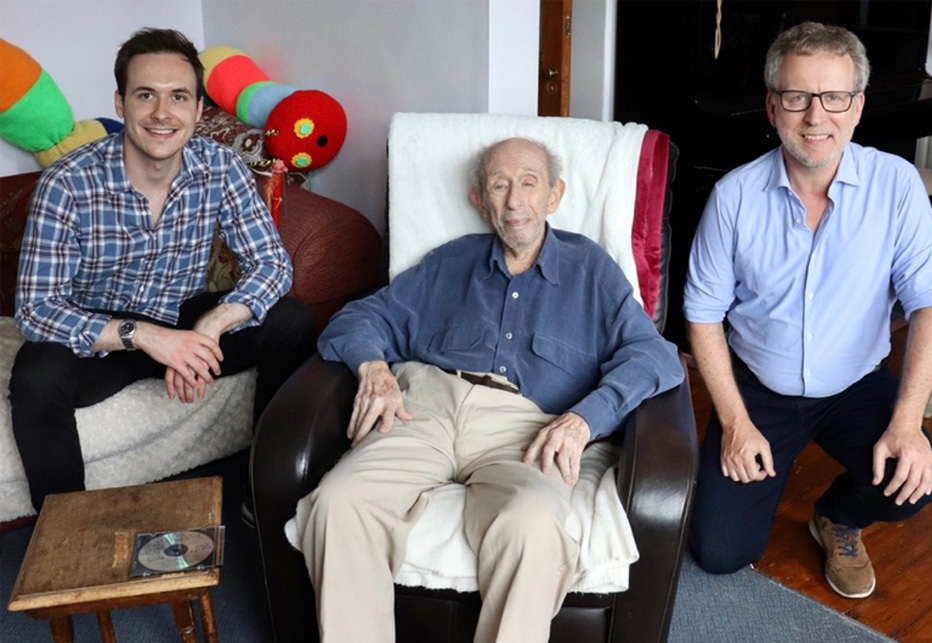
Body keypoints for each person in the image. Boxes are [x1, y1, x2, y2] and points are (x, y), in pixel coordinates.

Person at [299, 137, 684, 642]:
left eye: (529, 183)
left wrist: (585, 418)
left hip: (526, 428)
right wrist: (372, 366)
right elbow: (361, 318)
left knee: (533, 523)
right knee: (339, 501)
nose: (514, 200)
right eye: (499, 185)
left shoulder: (590, 270)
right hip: (424, 411)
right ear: (480, 200)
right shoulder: (449, 262)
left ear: (554, 195)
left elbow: (653, 354)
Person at [684, 22, 932, 599]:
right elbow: (703, 314)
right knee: (719, 552)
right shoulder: (733, 195)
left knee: (913, 485)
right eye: (797, 97)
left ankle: (837, 515)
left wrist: (907, 425)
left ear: (856, 107)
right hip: (759, 390)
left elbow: (931, 301)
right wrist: (734, 423)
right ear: (772, 107)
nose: (815, 116)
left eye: (833, 97)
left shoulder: (897, 186)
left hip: (856, 385)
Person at [10, 28, 316, 513]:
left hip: (184, 316)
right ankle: (64, 530)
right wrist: (147, 337)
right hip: (106, 335)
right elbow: (36, 309)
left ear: (197, 110)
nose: (161, 113)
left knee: (292, 321)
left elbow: (272, 264)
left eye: (178, 97)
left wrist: (211, 327)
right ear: (121, 103)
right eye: (145, 95)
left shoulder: (220, 166)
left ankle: (265, 492)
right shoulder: (66, 183)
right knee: (35, 373)